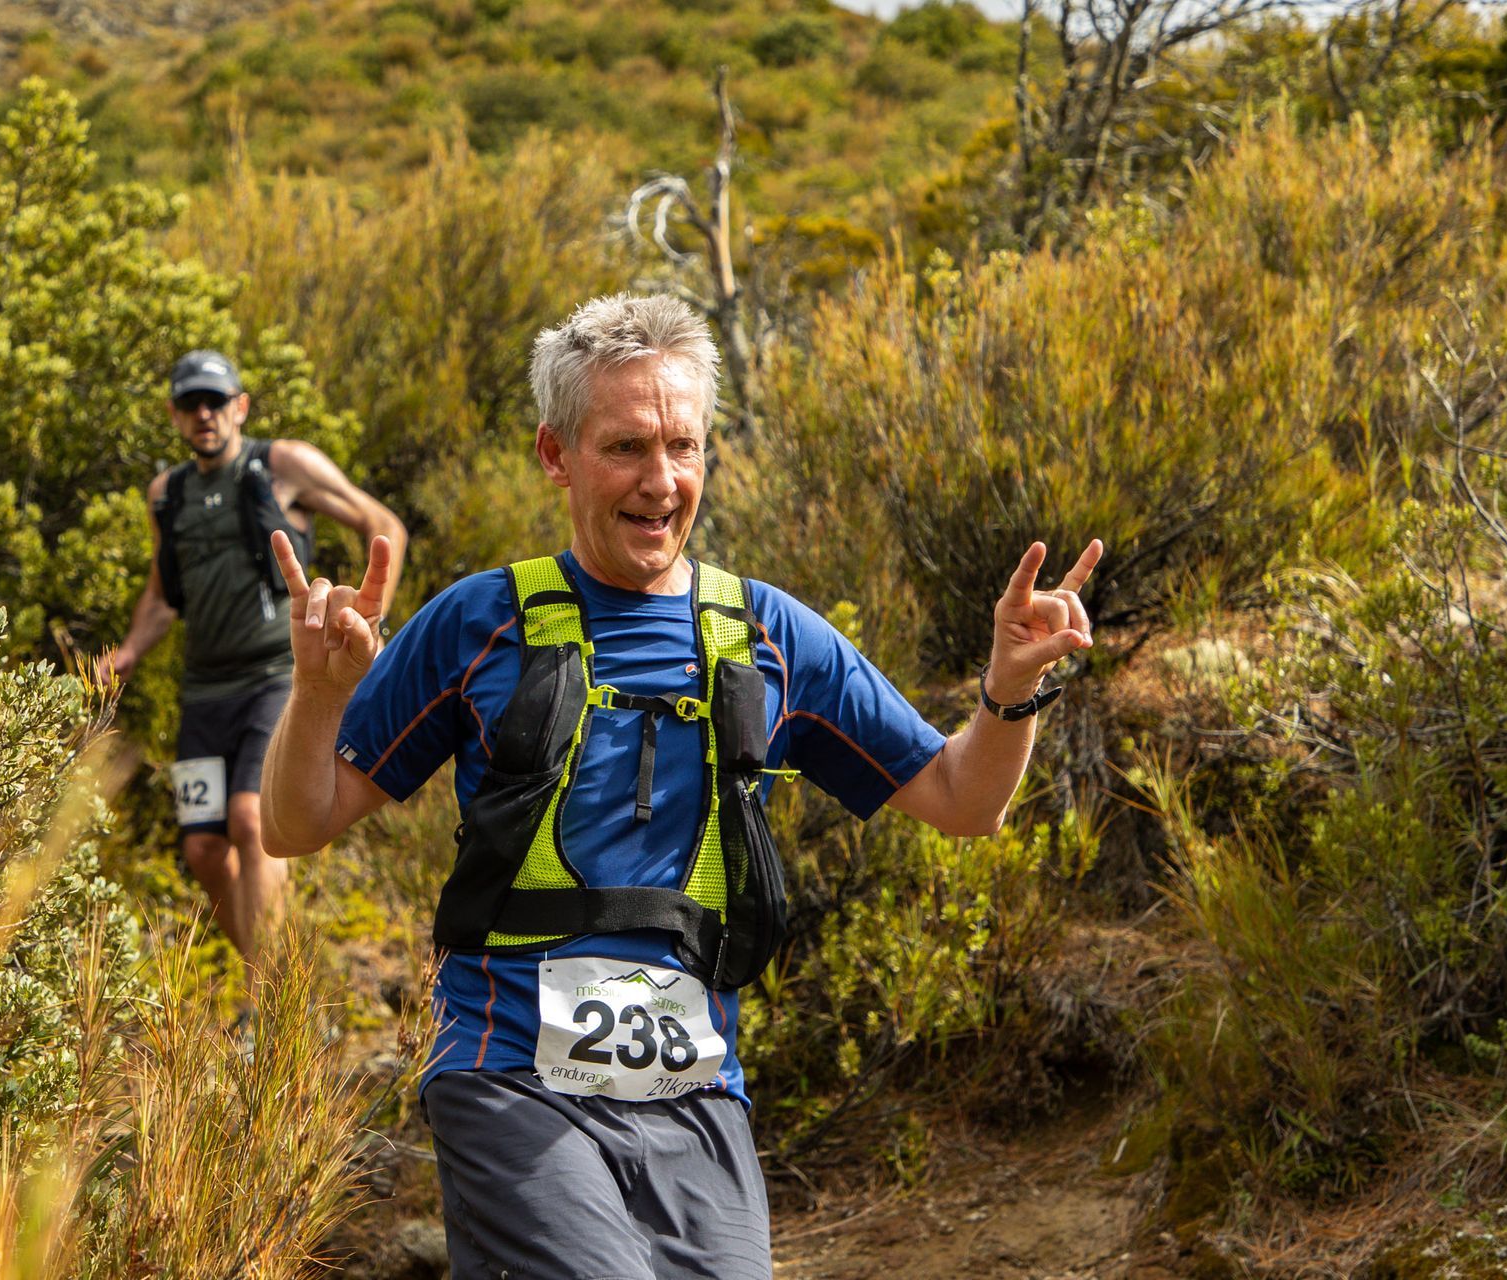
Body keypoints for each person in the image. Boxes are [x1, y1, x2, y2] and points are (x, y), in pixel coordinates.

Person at [259, 295, 1099, 1279]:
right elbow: (294, 821)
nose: (660, 481)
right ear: (555, 452)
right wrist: (318, 691)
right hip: (509, 1070)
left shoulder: (772, 634)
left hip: (697, 1087)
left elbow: (966, 800)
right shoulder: (477, 622)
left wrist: (1011, 687)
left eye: (683, 446)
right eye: (624, 447)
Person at [105, 349, 407, 992]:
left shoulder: (282, 464)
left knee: (251, 821)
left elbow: (381, 522)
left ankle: (269, 1011)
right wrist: (129, 651)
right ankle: (267, 987)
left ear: (240, 406)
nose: (204, 415)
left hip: (276, 679)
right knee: (204, 849)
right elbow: (162, 597)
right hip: (203, 692)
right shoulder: (168, 494)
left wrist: (371, 618)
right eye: (190, 404)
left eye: (216, 401)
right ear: (175, 415)